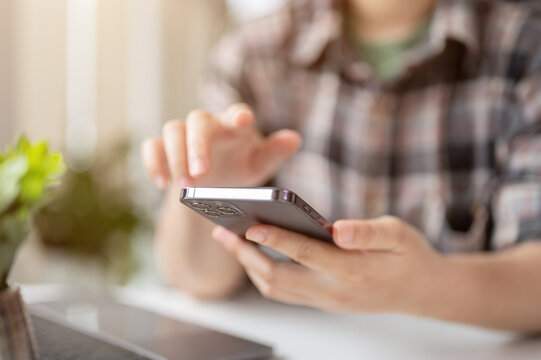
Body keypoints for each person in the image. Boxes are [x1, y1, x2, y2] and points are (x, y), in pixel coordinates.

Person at [141, 0, 541, 332]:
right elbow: (196, 279)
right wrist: (205, 184)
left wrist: (422, 287)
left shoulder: (525, 46)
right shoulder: (253, 51)